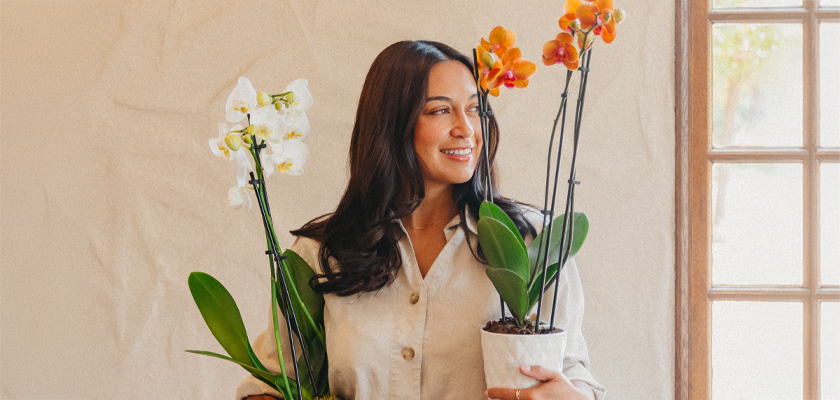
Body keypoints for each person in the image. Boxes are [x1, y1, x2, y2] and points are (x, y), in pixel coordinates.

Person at [236, 40, 605, 400]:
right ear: (391, 125)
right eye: (440, 111)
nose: (467, 129)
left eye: (476, 109)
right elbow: (268, 385)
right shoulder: (322, 253)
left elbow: (573, 372)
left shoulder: (532, 242)